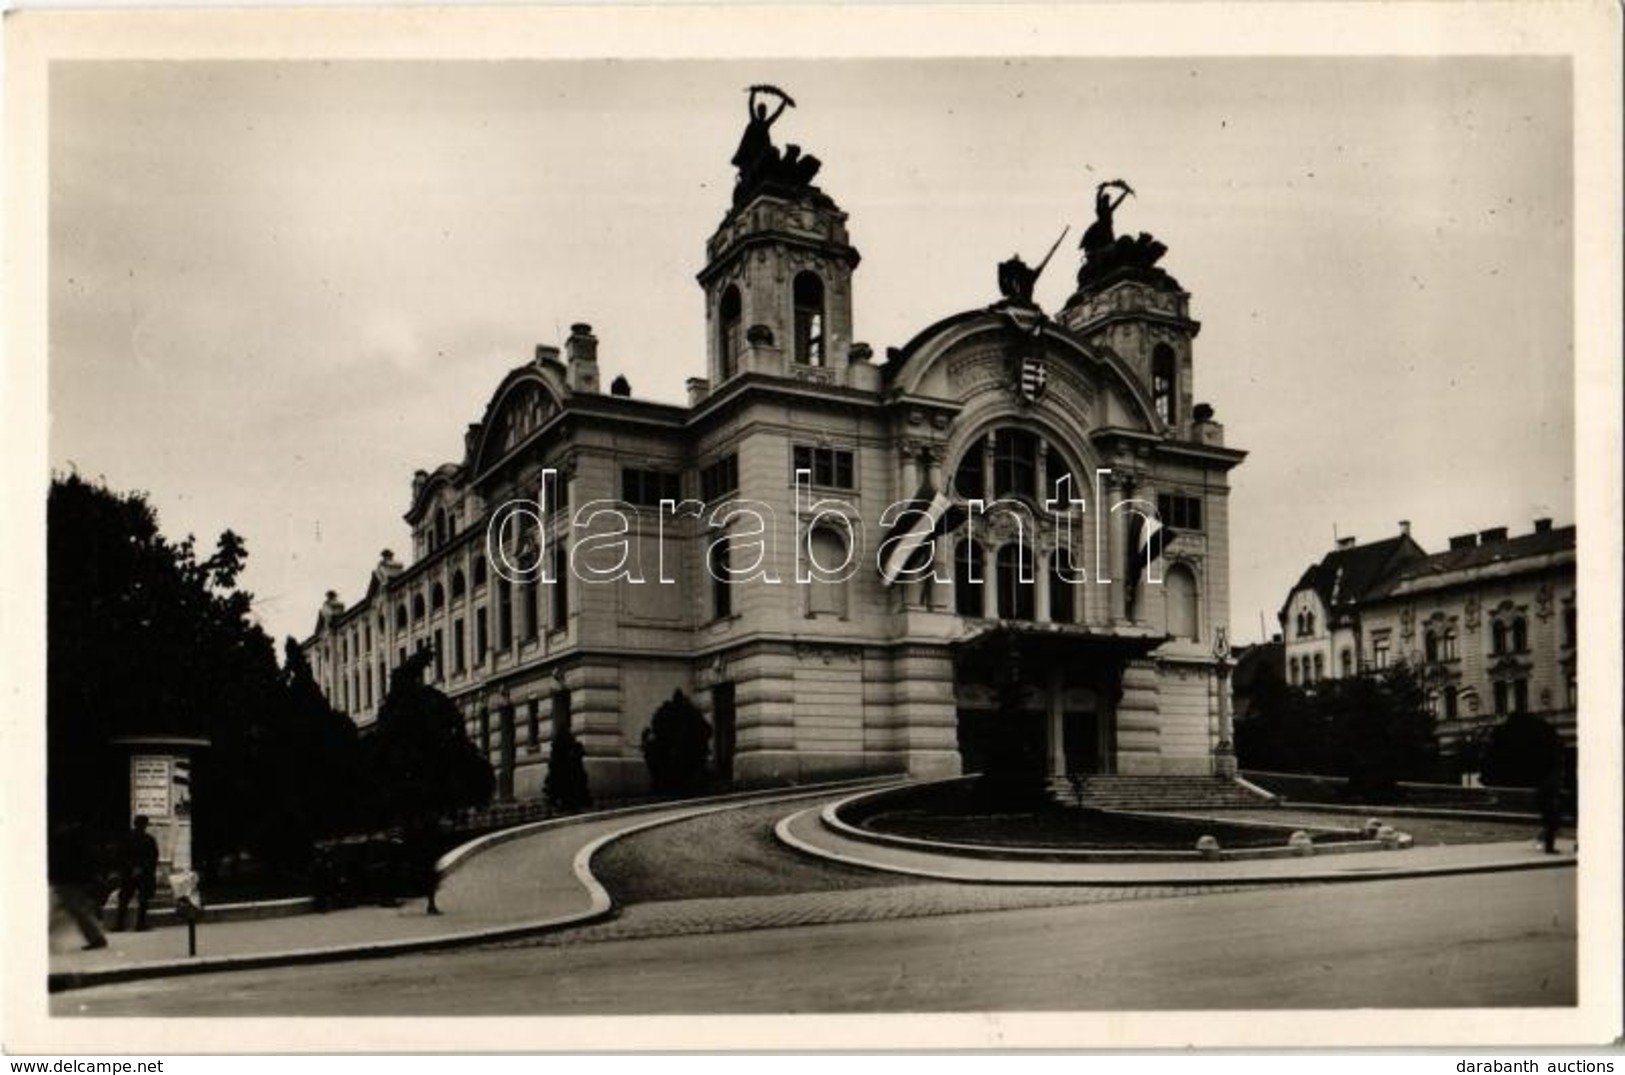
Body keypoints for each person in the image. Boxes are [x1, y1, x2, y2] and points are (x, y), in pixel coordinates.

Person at [114, 815, 160, 931]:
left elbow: (120, 856)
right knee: (143, 900)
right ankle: (140, 924)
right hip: (144, 874)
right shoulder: (149, 839)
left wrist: (130, 868)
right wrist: (144, 869)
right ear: (145, 825)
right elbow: (153, 857)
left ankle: (119, 925)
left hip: (128, 873)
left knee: (124, 900)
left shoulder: (126, 838)